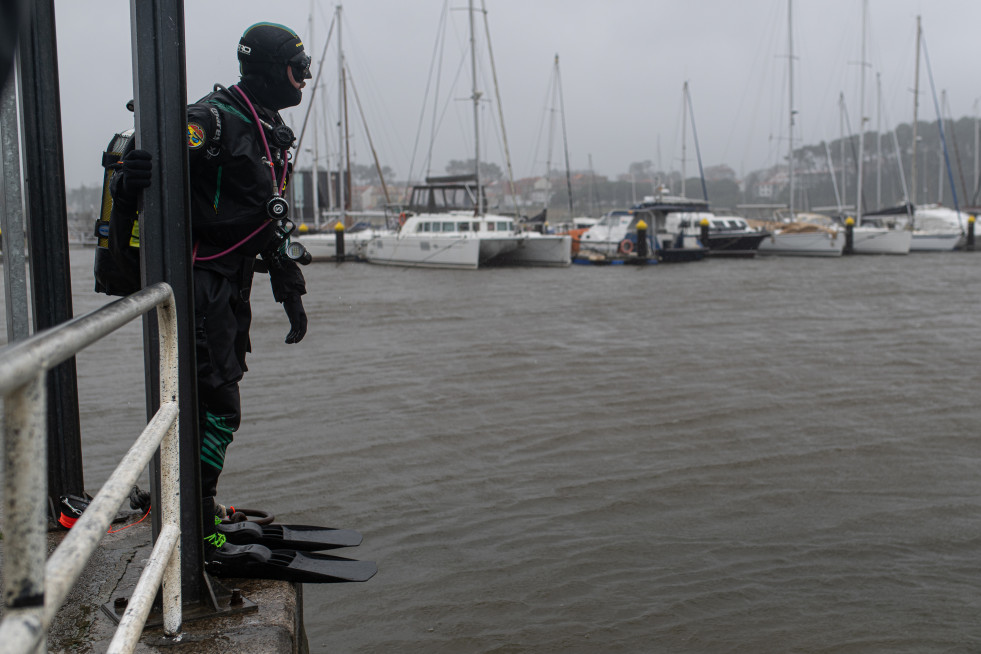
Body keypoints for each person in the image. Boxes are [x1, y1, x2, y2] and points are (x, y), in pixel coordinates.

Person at [110, 22, 314, 553]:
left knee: (215, 399)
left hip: (230, 284)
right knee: (217, 404)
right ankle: (198, 526)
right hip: (200, 284)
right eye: (299, 68)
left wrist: (289, 286)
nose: (305, 78)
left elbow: (265, 216)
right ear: (270, 70)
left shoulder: (263, 124)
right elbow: (145, 166)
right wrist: (130, 180)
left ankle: (197, 507)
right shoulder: (212, 121)